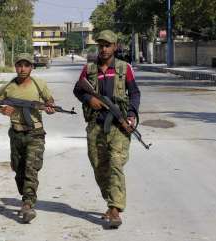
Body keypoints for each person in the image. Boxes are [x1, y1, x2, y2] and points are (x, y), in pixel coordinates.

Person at [73, 30, 141, 228]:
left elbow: (134, 93)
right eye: (101, 45)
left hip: (118, 127)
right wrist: (89, 99)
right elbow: (78, 89)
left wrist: (131, 115)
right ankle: (111, 200)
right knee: (98, 166)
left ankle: (115, 209)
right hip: (96, 126)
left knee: (115, 165)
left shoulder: (123, 68)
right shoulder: (89, 69)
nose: (103, 49)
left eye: (107, 45)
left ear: (115, 46)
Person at [0, 53, 55, 223]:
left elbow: (50, 100)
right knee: (19, 170)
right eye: (20, 65)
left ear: (32, 67)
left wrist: (50, 106)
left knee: (31, 169)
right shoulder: (9, 87)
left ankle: (27, 204)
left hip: (36, 133)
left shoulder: (38, 84)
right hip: (16, 133)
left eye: (27, 65)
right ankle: (25, 195)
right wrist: (1, 110)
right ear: (15, 66)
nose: (23, 69)